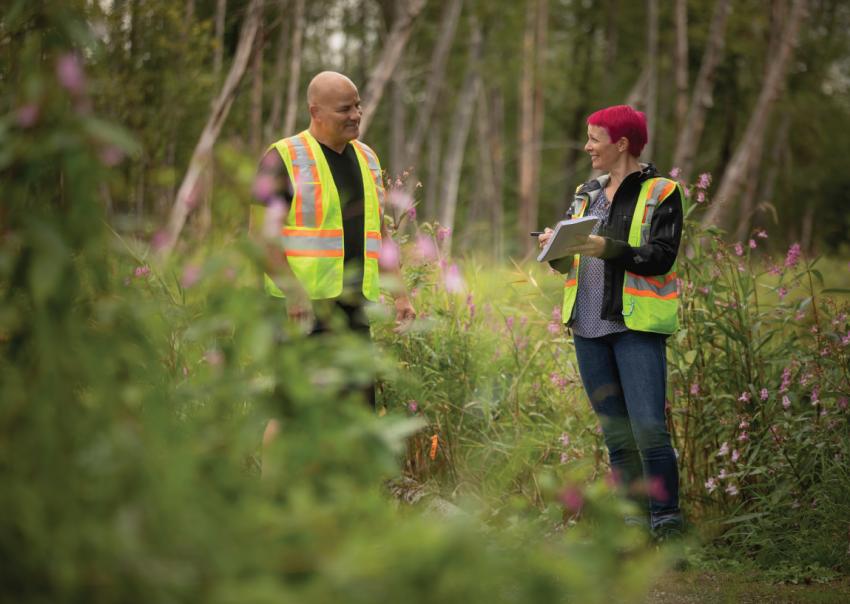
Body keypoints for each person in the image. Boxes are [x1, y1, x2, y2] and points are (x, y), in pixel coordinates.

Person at [539, 105, 684, 539]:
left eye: (594, 139)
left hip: (634, 327)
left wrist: (605, 246)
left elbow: (661, 257)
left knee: (649, 431)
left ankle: (666, 522)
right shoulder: (586, 192)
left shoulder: (663, 191)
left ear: (621, 144)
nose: (587, 147)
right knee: (618, 435)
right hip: (586, 327)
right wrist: (554, 246)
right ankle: (632, 524)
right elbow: (567, 264)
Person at [251, 71, 415, 430]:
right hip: (301, 312)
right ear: (316, 112)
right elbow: (261, 236)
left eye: (358, 105)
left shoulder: (368, 158)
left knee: (355, 413)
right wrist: (293, 292)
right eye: (345, 108)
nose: (356, 114)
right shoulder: (283, 157)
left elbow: (380, 230)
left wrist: (400, 295)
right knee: (295, 413)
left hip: (354, 309)